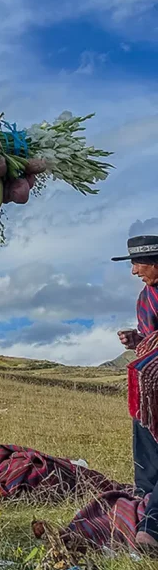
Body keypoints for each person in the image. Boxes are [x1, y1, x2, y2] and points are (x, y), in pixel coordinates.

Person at [111, 235, 158, 548]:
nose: (133, 271)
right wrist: (138, 338)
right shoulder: (145, 297)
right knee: (144, 441)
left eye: (138, 264)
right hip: (149, 386)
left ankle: (152, 528)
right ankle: (144, 497)